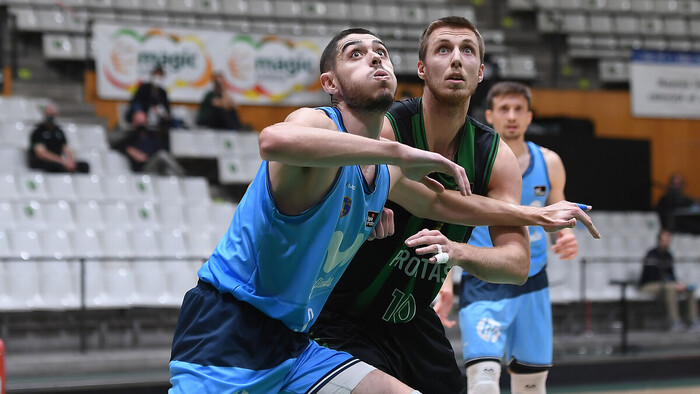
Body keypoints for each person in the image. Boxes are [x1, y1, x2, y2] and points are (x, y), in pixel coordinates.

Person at [169, 28, 598, 393]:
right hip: (228, 329)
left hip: (295, 344)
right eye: (355, 54)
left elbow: (447, 204)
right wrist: (399, 152)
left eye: (381, 52)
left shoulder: (384, 174)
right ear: (330, 83)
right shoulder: (318, 122)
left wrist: (536, 215)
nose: (374, 57)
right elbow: (272, 141)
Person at [309, 18, 598, 394]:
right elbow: (336, 195)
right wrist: (365, 206)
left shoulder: (495, 157)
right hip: (340, 315)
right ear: (422, 69)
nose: (456, 60)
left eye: (468, 51)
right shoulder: (385, 129)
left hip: (411, 319)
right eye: (443, 49)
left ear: (480, 73)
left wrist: (457, 252)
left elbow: (517, 264)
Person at [456, 81, 580, 394]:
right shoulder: (472, 160)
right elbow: (450, 220)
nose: (511, 116)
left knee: (531, 386)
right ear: (490, 116)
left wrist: (564, 236)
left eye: (518, 109)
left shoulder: (550, 162)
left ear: (529, 117)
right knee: (483, 383)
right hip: (484, 280)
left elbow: (558, 211)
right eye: (504, 109)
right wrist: (444, 283)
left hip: (532, 281)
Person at [639, 229, 699, 332]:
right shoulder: (652, 254)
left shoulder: (668, 255)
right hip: (649, 285)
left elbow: (671, 274)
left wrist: (679, 284)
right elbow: (652, 276)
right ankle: (675, 321)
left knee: (689, 288)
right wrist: (672, 284)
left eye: (669, 239)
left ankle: (693, 321)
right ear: (660, 240)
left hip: (666, 284)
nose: (667, 242)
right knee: (671, 288)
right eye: (665, 239)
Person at [115, 111, 185, 176]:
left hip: (155, 164)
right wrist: (131, 150)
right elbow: (116, 145)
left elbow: (160, 148)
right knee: (162, 155)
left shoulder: (152, 135)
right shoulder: (130, 137)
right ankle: (183, 174)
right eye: (139, 122)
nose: (141, 125)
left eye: (142, 122)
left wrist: (147, 156)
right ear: (134, 122)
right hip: (142, 169)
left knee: (168, 172)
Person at [29, 104, 89, 173]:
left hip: (60, 161)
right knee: (59, 167)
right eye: (48, 114)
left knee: (84, 166)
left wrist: (71, 161)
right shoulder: (38, 131)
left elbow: (66, 148)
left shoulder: (59, 131)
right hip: (45, 162)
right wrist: (62, 161)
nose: (50, 117)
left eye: (52, 114)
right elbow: (41, 153)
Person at [126, 64, 171, 128]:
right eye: (156, 75)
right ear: (152, 76)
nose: (158, 78)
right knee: (140, 117)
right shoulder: (143, 88)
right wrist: (150, 108)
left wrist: (165, 114)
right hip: (143, 116)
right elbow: (136, 102)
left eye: (160, 75)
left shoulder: (162, 92)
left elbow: (167, 107)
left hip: (158, 119)